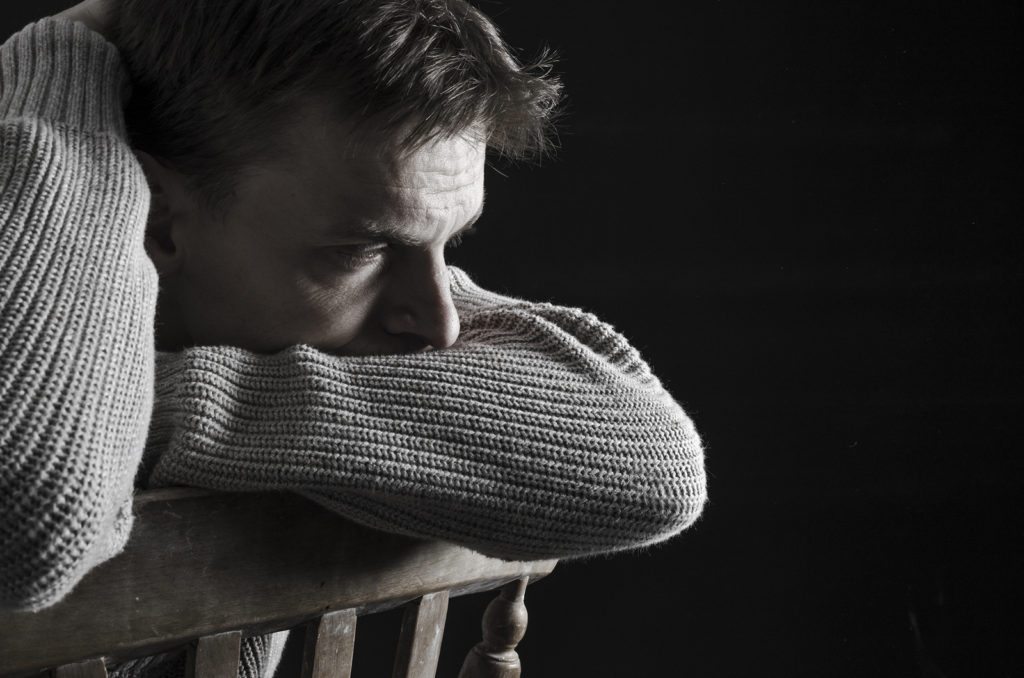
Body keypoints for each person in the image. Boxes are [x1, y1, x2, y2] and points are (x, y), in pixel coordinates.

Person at [0, 0, 708, 675]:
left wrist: (141, 404)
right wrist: (59, 60)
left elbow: (651, 466)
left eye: (449, 244)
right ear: (151, 217)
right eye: (361, 252)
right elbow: (31, 520)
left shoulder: (332, 309)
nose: (441, 322)